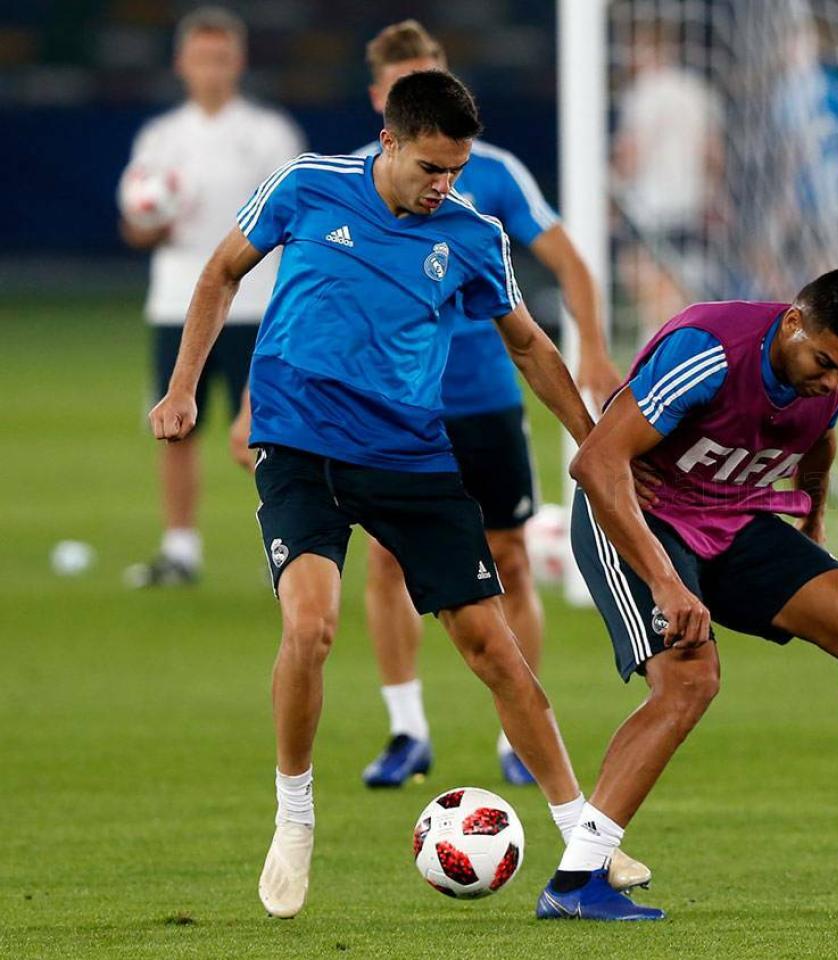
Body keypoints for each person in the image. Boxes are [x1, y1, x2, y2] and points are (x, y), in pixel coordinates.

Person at [150, 70, 605, 920]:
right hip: (299, 446)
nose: (445, 186)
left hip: (409, 456)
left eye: (456, 170)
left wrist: (593, 440)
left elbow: (531, 346)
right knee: (311, 626)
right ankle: (294, 818)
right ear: (389, 142)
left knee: (494, 649)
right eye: (432, 167)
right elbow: (219, 274)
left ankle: (585, 837)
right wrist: (183, 389)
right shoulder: (306, 185)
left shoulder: (472, 233)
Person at [539, 268, 838, 920]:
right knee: (689, 679)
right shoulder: (710, 349)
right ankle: (577, 880)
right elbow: (596, 462)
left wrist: (813, 523)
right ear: (794, 322)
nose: (833, 382)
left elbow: (819, 440)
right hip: (633, 518)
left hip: (728, 518)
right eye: (825, 363)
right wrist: (665, 582)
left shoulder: (831, 375)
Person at [345, 20, 624, 805]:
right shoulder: (351, 182)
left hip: (486, 399)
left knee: (509, 561)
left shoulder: (491, 174)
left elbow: (567, 260)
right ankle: (406, 729)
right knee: (387, 559)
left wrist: (593, 350)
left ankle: (515, 736)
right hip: (396, 408)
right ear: (382, 100)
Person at [119, 5, 302, 587]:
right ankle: (180, 550)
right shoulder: (160, 138)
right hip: (177, 302)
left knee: (266, 436)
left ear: (238, 62)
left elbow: (298, 219)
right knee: (175, 426)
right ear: (181, 63)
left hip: (258, 305)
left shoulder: (270, 134)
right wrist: (151, 223)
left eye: (221, 58)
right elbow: (135, 227)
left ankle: (290, 546)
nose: (211, 69)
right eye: (201, 58)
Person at [613, 20, 725, 332]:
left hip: (649, 204)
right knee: (679, 281)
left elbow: (632, 152)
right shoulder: (697, 90)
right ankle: (678, 335)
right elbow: (713, 153)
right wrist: (713, 196)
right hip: (690, 202)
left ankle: (660, 337)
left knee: (639, 274)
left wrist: (613, 189)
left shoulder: (641, 92)